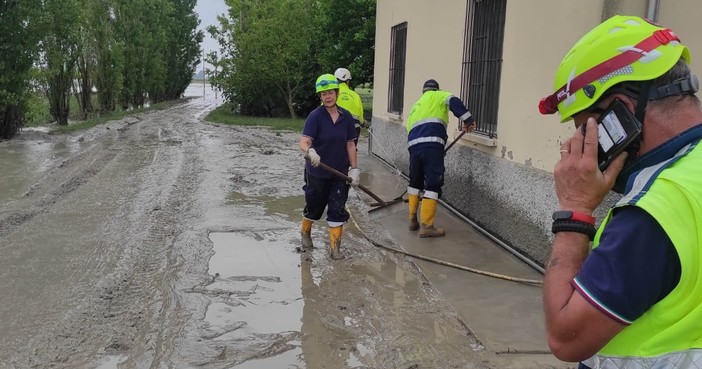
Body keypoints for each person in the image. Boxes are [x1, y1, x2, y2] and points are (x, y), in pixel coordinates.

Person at [539, 15, 702, 368]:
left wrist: (575, 209)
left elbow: (566, 338)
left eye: (586, 130)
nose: (583, 147)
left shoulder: (654, 212)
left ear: (621, 114)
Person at [298, 73, 360, 260]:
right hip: (317, 171)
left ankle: (335, 249)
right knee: (315, 206)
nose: (327, 96)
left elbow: (350, 144)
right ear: (320, 96)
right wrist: (310, 152)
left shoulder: (346, 117)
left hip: (340, 173)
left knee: (337, 208)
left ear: (336, 92)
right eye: (323, 93)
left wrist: (354, 169)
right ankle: (305, 232)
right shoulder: (315, 116)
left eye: (330, 92)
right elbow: (304, 141)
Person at [406, 79, 476, 238]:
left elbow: (410, 128)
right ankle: (427, 226)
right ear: (436, 90)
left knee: (415, 182)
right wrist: (469, 120)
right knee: (432, 183)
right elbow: (454, 101)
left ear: (423, 91)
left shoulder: (415, 106)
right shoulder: (439, 96)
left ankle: (412, 219)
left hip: (414, 147)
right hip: (432, 145)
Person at [334, 67, 366, 147]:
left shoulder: (332, 94)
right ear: (348, 81)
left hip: (336, 128)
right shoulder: (355, 96)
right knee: (351, 151)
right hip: (353, 129)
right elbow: (360, 117)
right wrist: (363, 123)